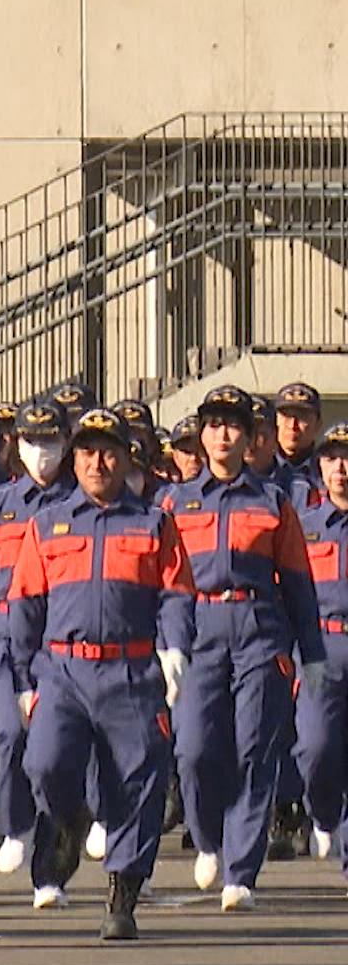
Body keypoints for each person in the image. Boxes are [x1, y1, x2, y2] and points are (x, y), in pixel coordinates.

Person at [9, 408, 197, 940]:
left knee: (137, 781)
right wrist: (22, 677)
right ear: (75, 457)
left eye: (108, 449)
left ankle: (122, 895)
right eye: (88, 450)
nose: (98, 460)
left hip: (131, 667)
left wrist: (174, 648)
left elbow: (176, 592)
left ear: (125, 456)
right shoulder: (47, 524)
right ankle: (70, 823)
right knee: (44, 763)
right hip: (63, 671)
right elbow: (24, 601)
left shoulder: (153, 522)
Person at [160, 384, 325, 911]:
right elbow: (161, 580)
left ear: (251, 436)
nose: (222, 434)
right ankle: (208, 838)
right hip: (198, 628)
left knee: (255, 749)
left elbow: (298, 580)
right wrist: (166, 645)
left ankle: (241, 871)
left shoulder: (272, 500)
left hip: (259, 628)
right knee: (193, 748)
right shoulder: (176, 501)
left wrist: (313, 654)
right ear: (202, 435)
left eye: (233, 425)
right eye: (213, 424)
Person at [0, 401, 94, 907]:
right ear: (15, 446)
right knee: (10, 730)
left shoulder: (81, 504)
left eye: (50, 441)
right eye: (30, 441)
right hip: (4, 635)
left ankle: (52, 863)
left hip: (58, 639)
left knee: (57, 755)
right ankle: (15, 823)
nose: (41, 452)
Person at [297, 421, 348, 875]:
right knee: (317, 750)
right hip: (320, 646)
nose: (341, 467)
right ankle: (325, 815)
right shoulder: (306, 527)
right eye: (332, 458)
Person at [274, 382, 322, 490]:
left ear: (318, 424)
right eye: (287, 416)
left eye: (302, 417)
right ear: (276, 420)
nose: (292, 426)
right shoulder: (260, 468)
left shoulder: (330, 473)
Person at [170, 416, 206, 483]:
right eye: (187, 451)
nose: (194, 458)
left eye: (200, 451)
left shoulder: (224, 490)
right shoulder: (164, 491)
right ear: (175, 455)